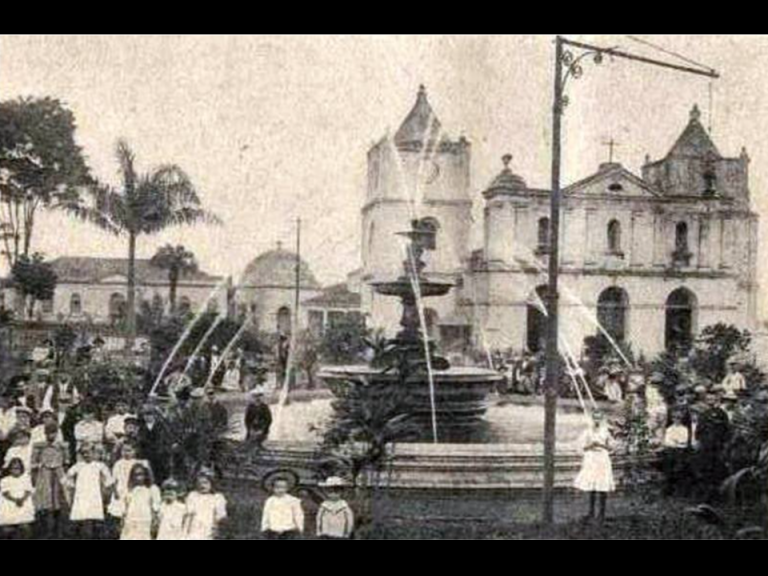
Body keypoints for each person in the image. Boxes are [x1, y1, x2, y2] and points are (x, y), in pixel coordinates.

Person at [574, 411, 615, 523]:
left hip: (602, 458)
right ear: (592, 419)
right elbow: (580, 447)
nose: (597, 421)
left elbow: (612, 448)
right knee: (592, 485)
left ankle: (601, 513)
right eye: (595, 418)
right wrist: (590, 445)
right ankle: (591, 512)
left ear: (602, 420)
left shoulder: (606, 432)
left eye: (599, 419)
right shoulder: (587, 432)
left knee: (602, 485)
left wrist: (601, 445)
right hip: (591, 459)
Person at [30, 423, 70, 539]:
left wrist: (63, 474)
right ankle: (46, 531)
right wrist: (36, 474)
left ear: (57, 433)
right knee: (45, 502)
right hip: (45, 473)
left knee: (59, 501)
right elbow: (33, 463)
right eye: (49, 433)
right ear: (45, 433)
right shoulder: (39, 446)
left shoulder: (62, 446)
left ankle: (59, 531)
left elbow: (66, 461)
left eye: (54, 432)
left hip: (58, 473)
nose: (51, 435)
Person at [66, 444, 114, 539]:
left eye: (88, 452)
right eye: (83, 453)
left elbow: (108, 479)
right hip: (81, 495)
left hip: (94, 495)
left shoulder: (99, 465)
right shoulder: (78, 466)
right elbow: (67, 477)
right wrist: (72, 486)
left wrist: (106, 491)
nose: (86, 455)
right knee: (81, 518)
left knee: (95, 519)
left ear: (94, 453)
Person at [108, 442, 151, 524]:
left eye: (129, 450)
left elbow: (146, 476)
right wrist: (115, 492)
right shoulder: (118, 464)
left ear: (134, 451)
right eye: (124, 451)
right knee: (119, 512)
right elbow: (113, 480)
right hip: (121, 490)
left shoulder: (137, 462)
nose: (126, 453)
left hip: (133, 491)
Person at [120, 463, 161, 540]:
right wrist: (123, 518)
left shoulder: (152, 489)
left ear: (146, 475)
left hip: (144, 519)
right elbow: (125, 505)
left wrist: (155, 520)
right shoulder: (129, 490)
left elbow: (156, 506)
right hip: (131, 519)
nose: (138, 477)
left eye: (141, 474)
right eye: (135, 475)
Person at [183, 470, 227, 540]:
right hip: (194, 529)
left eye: (205, 483)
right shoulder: (193, 496)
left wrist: (216, 528)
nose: (202, 486)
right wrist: (184, 533)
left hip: (208, 529)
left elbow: (220, 517)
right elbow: (188, 516)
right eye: (199, 483)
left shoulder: (216, 498)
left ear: (212, 483)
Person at [0, 458, 35, 539]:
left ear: (21, 469)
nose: (15, 471)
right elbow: (5, 493)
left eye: (18, 468)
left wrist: (22, 499)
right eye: (13, 468)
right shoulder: (5, 480)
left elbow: (28, 490)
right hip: (10, 503)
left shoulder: (26, 478)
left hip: (23, 502)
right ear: (9, 469)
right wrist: (15, 500)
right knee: (7, 527)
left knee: (25, 526)